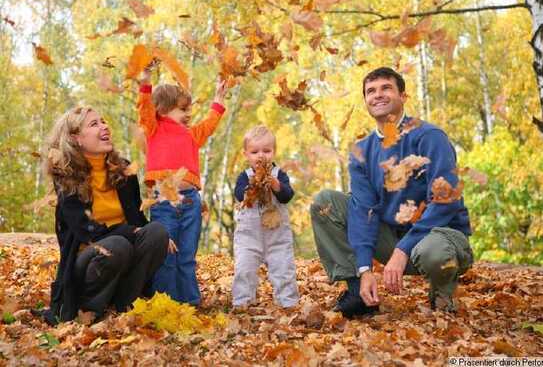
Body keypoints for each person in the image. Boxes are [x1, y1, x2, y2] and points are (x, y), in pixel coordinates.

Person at [310, 67, 473, 318]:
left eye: (386, 88)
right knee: (325, 203)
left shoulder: (429, 137)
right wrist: (365, 269)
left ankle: (442, 296)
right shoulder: (362, 152)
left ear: (403, 96)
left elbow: (446, 200)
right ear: (365, 101)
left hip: (440, 238)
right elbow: (363, 211)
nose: (378, 95)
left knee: (434, 252)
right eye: (371, 91)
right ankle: (358, 292)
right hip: (392, 238)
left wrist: (402, 250)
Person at [42, 106, 169, 325]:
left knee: (157, 232)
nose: (104, 126)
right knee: (115, 244)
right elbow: (86, 230)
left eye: (104, 121)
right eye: (94, 124)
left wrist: (149, 235)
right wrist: (128, 231)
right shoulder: (66, 176)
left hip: (123, 251)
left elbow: (136, 219)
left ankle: (125, 304)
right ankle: (88, 309)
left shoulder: (124, 171)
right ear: (76, 138)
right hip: (87, 263)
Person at [137, 70, 227, 305]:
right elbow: (144, 108)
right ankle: (166, 302)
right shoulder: (154, 128)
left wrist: (218, 100)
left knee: (187, 255)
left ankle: (190, 302)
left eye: (188, 109)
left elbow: (209, 124)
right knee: (167, 254)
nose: (188, 114)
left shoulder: (191, 135)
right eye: (182, 109)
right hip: (164, 201)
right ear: (163, 109)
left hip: (190, 201)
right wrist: (145, 82)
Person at [232, 125, 299, 308]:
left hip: (277, 236)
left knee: (283, 268)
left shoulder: (279, 175)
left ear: (274, 152)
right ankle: (242, 302)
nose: (261, 156)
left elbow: (287, 196)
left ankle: (288, 302)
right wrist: (251, 189)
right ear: (246, 154)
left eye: (266, 151)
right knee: (244, 268)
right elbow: (239, 194)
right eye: (254, 152)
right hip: (249, 236)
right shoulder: (244, 177)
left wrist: (276, 185)